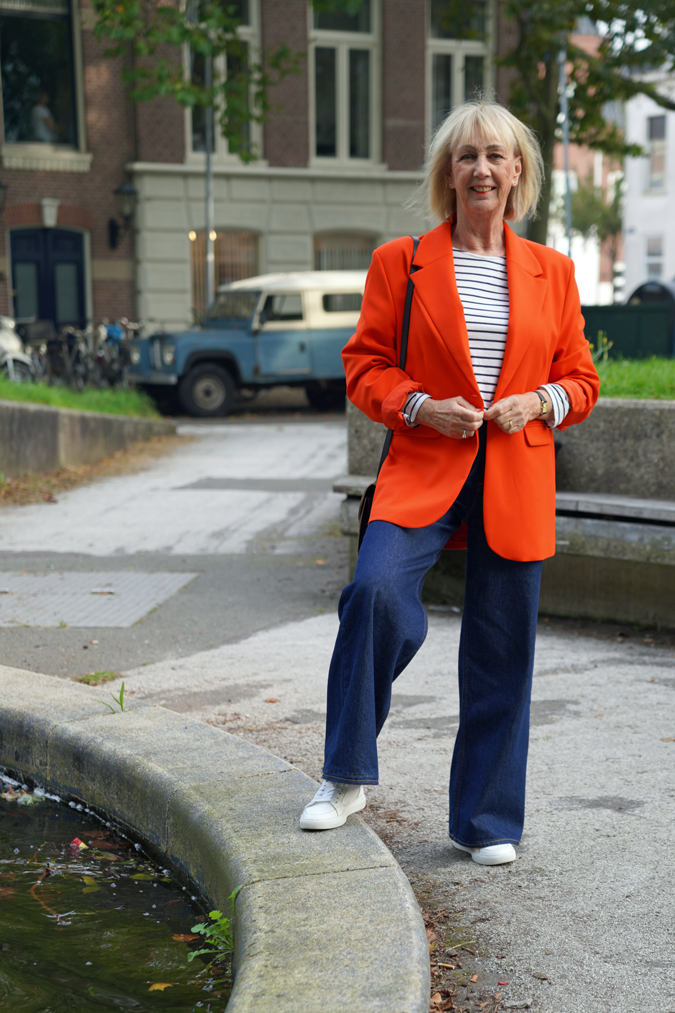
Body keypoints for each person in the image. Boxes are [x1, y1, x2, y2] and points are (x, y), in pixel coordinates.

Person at [299, 100, 600, 866]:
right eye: (466, 156)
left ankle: (485, 820)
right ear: (447, 172)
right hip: (423, 464)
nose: (481, 169)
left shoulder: (553, 271)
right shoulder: (399, 262)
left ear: (517, 171)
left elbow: (580, 379)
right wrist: (419, 406)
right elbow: (364, 365)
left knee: (502, 646)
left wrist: (539, 401)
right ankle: (344, 775)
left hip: (515, 472)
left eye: (495, 156)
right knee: (375, 594)